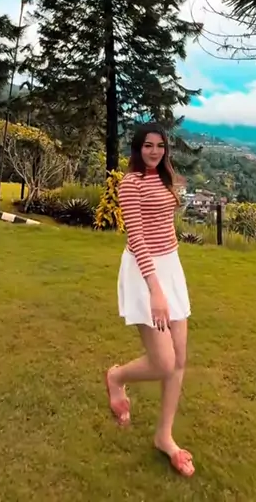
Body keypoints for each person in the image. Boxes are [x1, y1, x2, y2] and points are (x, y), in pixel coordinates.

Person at [104, 123, 194, 478]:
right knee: (164, 362)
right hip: (146, 273)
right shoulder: (131, 183)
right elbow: (137, 238)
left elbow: (164, 225)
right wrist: (156, 290)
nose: (154, 151)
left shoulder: (165, 177)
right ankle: (116, 376)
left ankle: (164, 436)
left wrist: (170, 272)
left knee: (180, 359)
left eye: (160, 145)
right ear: (137, 148)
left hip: (170, 266)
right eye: (148, 146)